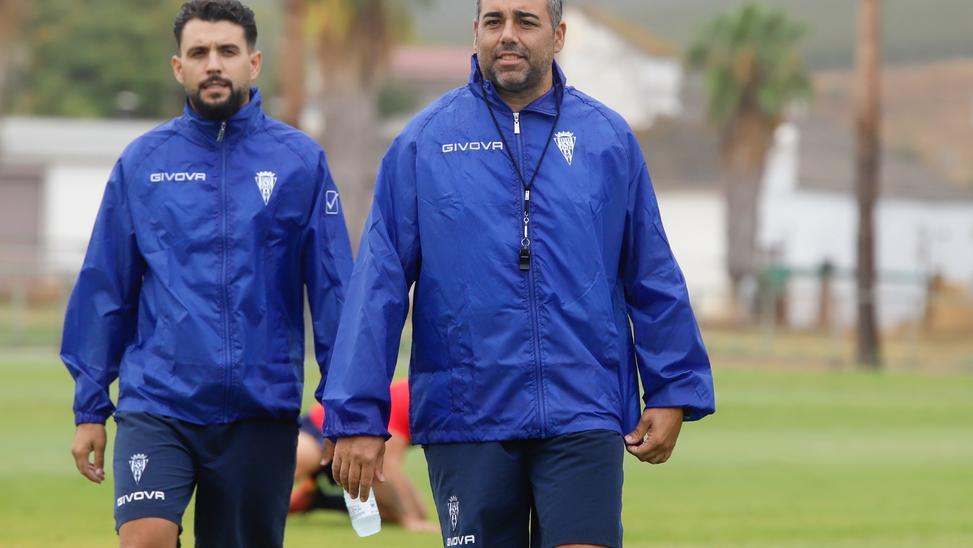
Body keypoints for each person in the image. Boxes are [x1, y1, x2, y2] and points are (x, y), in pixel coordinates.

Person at [319, 0, 716, 546]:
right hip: (467, 416)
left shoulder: (608, 139)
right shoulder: (423, 143)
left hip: (584, 405)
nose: (508, 35)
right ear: (476, 33)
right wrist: (358, 415)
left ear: (557, 35)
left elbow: (651, 272)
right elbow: (377, 289)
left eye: (526, 21)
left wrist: (672, 388)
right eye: (494, 21)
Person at [61, 1, 353, 546]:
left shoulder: (299, 162)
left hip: (260, 410)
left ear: (253, 62)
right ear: (179, 67)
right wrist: (90, 407)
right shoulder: (142, 162)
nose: (213, 64)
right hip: (160, 404)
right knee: (144, 537)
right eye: (199, 53)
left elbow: (335, 292)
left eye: (227, 51)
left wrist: (343, 409)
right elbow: (106, 287)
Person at [291, 379, 438, 533]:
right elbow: (386, 466)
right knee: (283, 471)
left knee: (416, 511)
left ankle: (317, 499)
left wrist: (414, 515)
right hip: (323, 431)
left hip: (361, 452)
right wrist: (409, 519)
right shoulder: (414, 399)